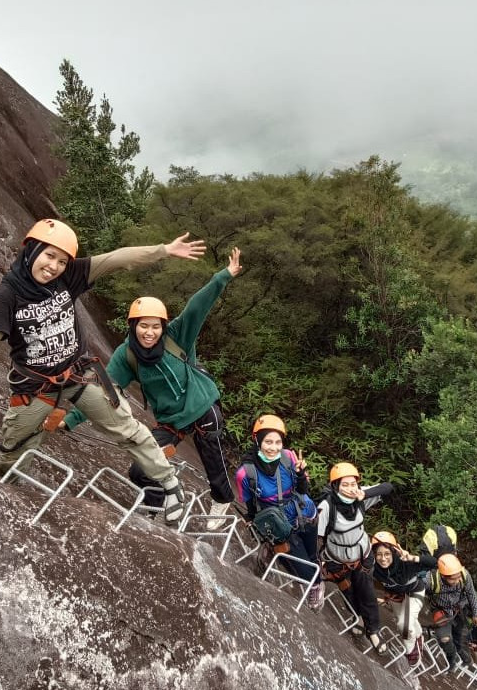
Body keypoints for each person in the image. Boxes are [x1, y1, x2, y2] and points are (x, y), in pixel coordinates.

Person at [0, 219, 206, 523]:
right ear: (32, 250)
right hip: (36, 387)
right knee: (14, 448)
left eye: (62, 260)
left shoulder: (70, 276)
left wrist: (164, 250)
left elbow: (117, 258)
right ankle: (3, 495)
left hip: (78, 376)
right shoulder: (7, 296)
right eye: (49, 256)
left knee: (127, 427)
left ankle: (170, 484)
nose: (54, 266)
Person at [64, 247, 242, 528]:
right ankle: (155, 505)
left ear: (163, 326)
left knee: (210, 443)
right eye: (143, 326)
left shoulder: (177, 335)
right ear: (133, 325)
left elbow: (198, 306)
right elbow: (103, 390)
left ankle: (221, 498)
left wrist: (224, 276)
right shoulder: (127, 355)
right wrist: (70, 420)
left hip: (200, 404)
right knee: (140, 468)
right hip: (171, 420)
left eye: (155, 326)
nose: (149, 332)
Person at [235, 414, 324, 608]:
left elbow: (303, 490)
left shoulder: (288, 457)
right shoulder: (245, 474)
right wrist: (257, 525)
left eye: (278, 442)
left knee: (313, 556)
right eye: (268, 442)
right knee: (305, 571)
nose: (273, 448)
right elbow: (251, 506)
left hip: (305, 513)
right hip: (281, 524)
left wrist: (301, 474)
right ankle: (313, 582)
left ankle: (317, 585)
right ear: (257, 440)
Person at [317, 462, 393, 655]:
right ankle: (357, 618)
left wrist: (364, 494)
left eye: (353, 484)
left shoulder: (360, 496)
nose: (350, 488)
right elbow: (317, 536)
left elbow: (388, 487)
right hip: (337, 560)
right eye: (345, 485)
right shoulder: (327, 507)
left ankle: (373, 631)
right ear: (336, 485)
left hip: (362, 557)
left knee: (367, 593)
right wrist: (319, 560)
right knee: (348, 592)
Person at [371, 530, 437, 666]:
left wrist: (413, 558)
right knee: (403, 621)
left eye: (387, 554)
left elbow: (435, 563)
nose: (383, 558)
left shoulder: (405, 562)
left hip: (415, 591)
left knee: (404, 625)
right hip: (395, 595)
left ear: (393, 552)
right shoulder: (374, 567)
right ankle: (418, 636)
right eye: (379, 554)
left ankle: (411, 651)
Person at [422, 553, 477, 671]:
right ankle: (451, 657)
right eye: (452, 579)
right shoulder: (430, 579)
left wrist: (476, 613)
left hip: (458, 609)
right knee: (444, 639)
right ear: (443, 576)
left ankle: (466, 659)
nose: (457, 581)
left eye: (458, 577)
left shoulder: (464, 575)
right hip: (440, 610)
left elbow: (471, 594)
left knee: (459, 638)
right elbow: (417, 589)